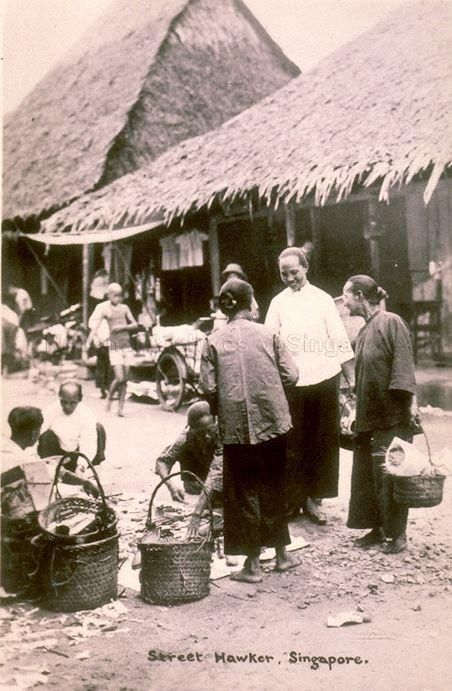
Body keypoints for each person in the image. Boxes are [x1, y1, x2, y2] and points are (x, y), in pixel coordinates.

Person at [200, 278, 299, 583]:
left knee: (243, 492)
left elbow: (208, 386)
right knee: (274, 485)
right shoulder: (270, 334)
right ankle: (282, 556)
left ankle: (253, 566)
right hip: (274, 422)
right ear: (250, 303)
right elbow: (292, 376)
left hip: (235, 429)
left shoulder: (212, 341)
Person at [265, 247, 354, 524]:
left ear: (306, 268)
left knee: (323, 440)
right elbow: (269, 340)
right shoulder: (278, 303)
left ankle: (316, 500)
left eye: (294, 272)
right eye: (284, 274)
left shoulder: (323, 299)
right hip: (292, 382)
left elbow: (338, 338)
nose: (290, 278)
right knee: (293, 441)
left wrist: (350, 376)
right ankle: (294, 499)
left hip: (325, 378)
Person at [343, 275, 418, 554]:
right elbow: (361, 377)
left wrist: (411, 405)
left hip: (391, 413)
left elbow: (403, 367)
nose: (345, 303)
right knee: (368, 474)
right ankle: (378, 529)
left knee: (391, 473)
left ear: (360, 295)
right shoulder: (363, 331)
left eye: (346, 296)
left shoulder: (392, 322)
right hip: (368, 413)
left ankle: (398, 535)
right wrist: (353, 409)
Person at [1, 407, 98, 595]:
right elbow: (55, 473)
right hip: (15, 528)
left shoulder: (7, 449)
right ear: (33, 433)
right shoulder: (25, 463)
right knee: (64, 520)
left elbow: (53, 468)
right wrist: (85, 483)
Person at [155, 401, 222, 501]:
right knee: (193, 488)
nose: (207, 436)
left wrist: (197, 513)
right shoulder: (186, 436)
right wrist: (171, 487)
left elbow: (217, 474)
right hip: (198, 480)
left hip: (221, 474)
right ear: (191, 429)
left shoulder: (224, 433)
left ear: (215, 422)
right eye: (201, 433)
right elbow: (163, 461)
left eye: (210, 430)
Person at [89, 282, 137, 416]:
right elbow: (95, 327)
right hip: (115, 346)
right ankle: (110, 397)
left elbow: (135, 324)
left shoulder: (125, 308)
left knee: (126, 379)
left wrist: (122, 327)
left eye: (120, 296)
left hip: (126, 345)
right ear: (109, 295)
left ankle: (120, 409)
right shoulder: (105, 310)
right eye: (115, 296)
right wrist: (88, 344)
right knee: (120, 378)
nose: (118, 298)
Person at [38, 381, 105, 471]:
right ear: (59, 397)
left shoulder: (87, 414)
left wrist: (82, 465)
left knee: (98, 428)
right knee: (46, 434)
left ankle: (90, 468)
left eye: (72, 403)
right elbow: (36, 433)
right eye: (64, 402)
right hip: (57, 455)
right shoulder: (50, 410)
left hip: (78, 454)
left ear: (80, 399)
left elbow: (88, 443)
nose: (67, 407)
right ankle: (52, 468)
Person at [88, 303, 111, 399]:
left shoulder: (97, 322)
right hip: (105, 347)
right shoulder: (103, 322)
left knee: (103, 368)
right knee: (106, 368)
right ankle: (105, 389)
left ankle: (104, 390)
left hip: (104, 346)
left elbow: (93, 334)